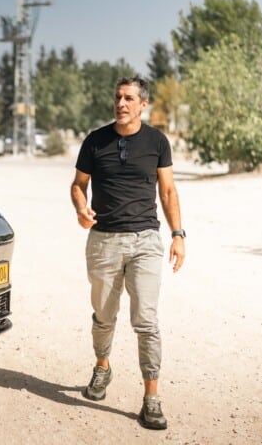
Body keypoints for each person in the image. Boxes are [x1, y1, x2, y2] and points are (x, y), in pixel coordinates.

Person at [70, 75, 185, 430]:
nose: (121, 103)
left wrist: (178, 234)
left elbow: (168, 191)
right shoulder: (95, 141)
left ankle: (152, 398)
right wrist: (81, 208)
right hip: (103, 241)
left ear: (142, 104)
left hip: (145, 241)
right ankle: (102, 366)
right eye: (118, 97)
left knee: (146, 321)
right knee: (104, 317)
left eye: (129, 98)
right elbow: (78, 185)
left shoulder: (157, 142)